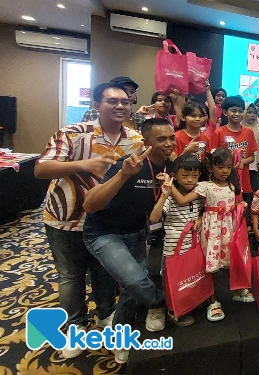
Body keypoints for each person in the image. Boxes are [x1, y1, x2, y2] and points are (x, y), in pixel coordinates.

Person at [35, 82, 143, 359]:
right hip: (67, 219)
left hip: (106, 222)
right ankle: (76, 327)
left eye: (125, 102)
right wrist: (83, 164)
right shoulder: (72, 133)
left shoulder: (135, 139)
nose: (120, 106)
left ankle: (105, 316)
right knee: (71, 276)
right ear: (96, 105)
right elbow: (41, 168)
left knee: (104, 273)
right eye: (111, 101)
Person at [82, 118, 176, 364]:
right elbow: (89, 205)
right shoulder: (130, 164)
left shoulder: (170, 167)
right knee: (135, 280)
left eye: (171, 138)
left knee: (130, 289)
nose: (168, 144)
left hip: (137, 232)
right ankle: (161, 302)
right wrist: (123, 175)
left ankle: (120, 334)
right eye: (161, 139)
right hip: (103, 233)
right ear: (145, 142)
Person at [170, 148, 254, 321]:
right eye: (220, 166)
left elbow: (237, 202)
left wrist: (240, 207)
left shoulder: (232, 184)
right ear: (210, 167)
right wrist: (169, 184)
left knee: (234, 260)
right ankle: (212, 300)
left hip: (231, 229)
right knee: (210, 265)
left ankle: (238, 290)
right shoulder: (204, 186)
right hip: (213, 231)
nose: (225, 171)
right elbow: (183, 200)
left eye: (228, 167)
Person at [148, 154, 202, 327]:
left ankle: (187, 303)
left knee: (190, 277)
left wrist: (199, 219)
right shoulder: (170, 198)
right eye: (185, 175)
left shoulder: (198, 194)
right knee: (173, 281)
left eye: (194, 175)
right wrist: (164, 195)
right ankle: (174, 310)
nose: (190, 180)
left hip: (193, 246)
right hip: (173, 249)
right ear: (175, 176)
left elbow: (202, 211)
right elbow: (154, 218)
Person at [209, 95, 258, 195]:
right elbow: (211, 156)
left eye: (240, 111)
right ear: (225, 112)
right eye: (233, 111)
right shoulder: (219, 132)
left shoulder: (249, 132)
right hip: (222, 179)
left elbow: (252, 157)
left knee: (241, 207)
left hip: (242, 179)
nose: (237, 114)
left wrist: (242, 161)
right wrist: (230, 156)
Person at [81, 76, 146, 130]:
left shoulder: (139, 119)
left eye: (132, 92)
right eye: (124, 91)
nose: (129, 95)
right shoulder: (92, 114)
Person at [244, 103, 259, 192]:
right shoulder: (238, 129)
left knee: (253, 191)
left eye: (254, 113)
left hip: (255, 167)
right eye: (249, 112)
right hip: (240, 166)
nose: (252, 115)